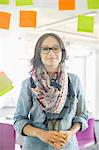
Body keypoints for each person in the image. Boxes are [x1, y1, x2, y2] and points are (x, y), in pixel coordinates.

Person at [13, 33, 88, 150]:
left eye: (56, 48)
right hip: (35, 146)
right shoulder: (28, 84)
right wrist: (40, 133)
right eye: (45, 49)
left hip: (67, 146)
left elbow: (82, 115)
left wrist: (70, 133)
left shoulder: (74, 81)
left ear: (62, 52)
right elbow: (19, 120)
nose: (51, 53)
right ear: (39, 53)